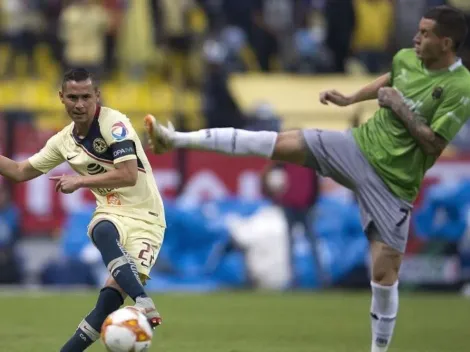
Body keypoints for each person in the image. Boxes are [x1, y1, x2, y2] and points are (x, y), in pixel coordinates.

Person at [144, 6, 470, 352]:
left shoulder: (460, 87)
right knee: (277, 142)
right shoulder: (407, 57)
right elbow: (390, 79)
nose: (416, 38)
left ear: (446, 42)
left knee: (384, 274)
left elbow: (434, 142)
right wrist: (350, 98)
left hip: (393, 184)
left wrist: (400, 108)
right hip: (357, 146)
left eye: (425, 33)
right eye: (417, 31)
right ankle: (176, 138)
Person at [0, 68, 165, 351]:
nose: (79, 104)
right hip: (112, 211)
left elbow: (128, 175)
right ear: (61, 98)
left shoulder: (115, 124)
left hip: (148, 218)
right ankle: (143, 300)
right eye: (73, 97)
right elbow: (18, 171)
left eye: (86, 97)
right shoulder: (63, 142)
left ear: (96, 96)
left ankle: (138, 299)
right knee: (101, 229)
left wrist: (80, 181)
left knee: (106, 307)